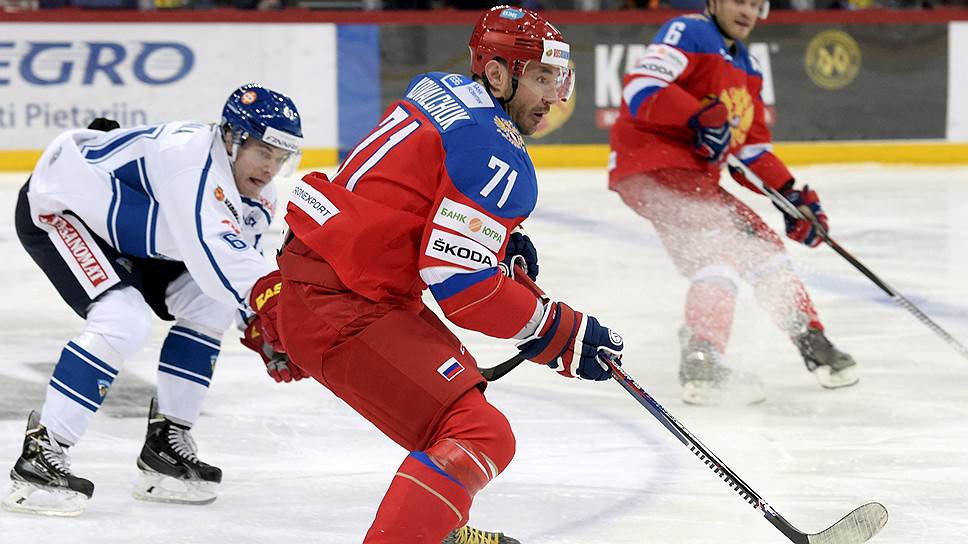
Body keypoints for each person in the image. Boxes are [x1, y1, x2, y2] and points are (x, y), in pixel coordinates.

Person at [251, 6, 624, 543]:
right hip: (343, 304)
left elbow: (407, 189)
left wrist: (495, 238)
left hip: (328, 281)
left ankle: (435, 530)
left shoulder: (438, 88)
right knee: (480, 433)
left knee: (459, 411)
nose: (554, 97)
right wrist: (558, 331)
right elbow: (462, 286)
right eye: (542, 78)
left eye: (557, 79)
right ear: (497, 74)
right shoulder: (497, 151)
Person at [3, 83, 303, 516]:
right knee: (122, 320)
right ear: (231, 138)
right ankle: (42, 452)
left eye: (281, 157)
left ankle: (166, 441)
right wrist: (279, 315)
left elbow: (238, 268)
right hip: (63, 207)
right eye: (263, 152)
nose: (271, 168)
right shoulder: (189, 160)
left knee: (212, 303)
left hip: (141, 239)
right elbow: (217, 252)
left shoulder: (257, 197)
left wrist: (257, 323)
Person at [608, 0, 858, 405]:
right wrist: (696, 115)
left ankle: (812, 341)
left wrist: (790, 196)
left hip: (690, 178)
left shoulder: (749, 69)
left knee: (763, 248)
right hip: (654, 164)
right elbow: (640, 87)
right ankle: (702, 359)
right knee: (719, 252)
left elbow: (750, 151)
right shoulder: (690, 31)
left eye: (756, 3)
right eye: (739, 0)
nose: (748, 10)